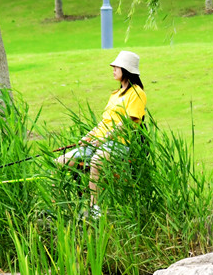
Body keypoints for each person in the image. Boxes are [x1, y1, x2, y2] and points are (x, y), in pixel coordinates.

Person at [55, 50, 147, 217]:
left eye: (116, 67)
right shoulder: (115, 95)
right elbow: (103, 122)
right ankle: (60, 208)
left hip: (120, 143)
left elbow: (127, 122)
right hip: (98, 141)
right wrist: (88, 136)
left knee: (97, 160)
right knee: (60, 162)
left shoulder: (137, 93)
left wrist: (104, 139)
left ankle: (94, 208)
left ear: (126, 70)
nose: (112, 70)